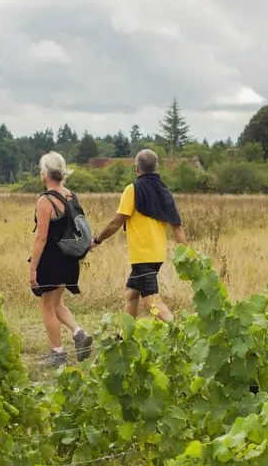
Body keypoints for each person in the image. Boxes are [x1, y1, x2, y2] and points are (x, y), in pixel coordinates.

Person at [91, 148, 187, 320]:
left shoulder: (132, 189)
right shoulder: (164, 191)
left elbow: (116, 222)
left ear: (136, 168)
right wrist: (188, 255)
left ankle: (181, 334)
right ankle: (125, 338)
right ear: (156, 167)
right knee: (131, 294)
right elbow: (177, 228)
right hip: (156, 255)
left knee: (151, 301)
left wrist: (97, 240)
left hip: (143, 256)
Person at [28, 152, 94, 367]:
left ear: (46, 174)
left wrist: (33, 269)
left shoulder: (45, 200)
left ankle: (57, 353)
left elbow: (42, 237)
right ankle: (79, 333)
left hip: (51, 259)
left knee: (47, 306)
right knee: (57, 302)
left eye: (41, 170)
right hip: (69, 259)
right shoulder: (70, 196)